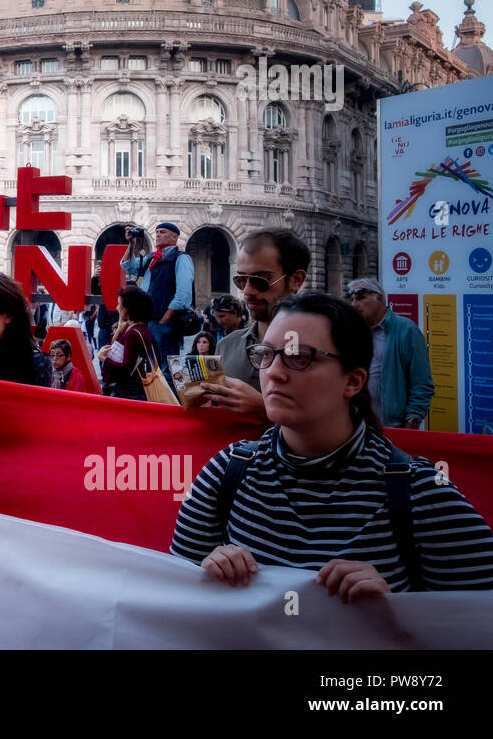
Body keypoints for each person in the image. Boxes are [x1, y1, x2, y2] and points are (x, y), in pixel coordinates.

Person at [172, 293, 493, 596]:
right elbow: (170, 599)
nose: (274, 372)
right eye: (266, 354)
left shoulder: (421, 491)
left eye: (299, 357)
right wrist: (207, 573)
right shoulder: (228, 470)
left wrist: (400, 612)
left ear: (353, 380)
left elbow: (474, 620)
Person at [201, 227, 309, 421]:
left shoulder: (322, 349)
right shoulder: (227, 345)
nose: (247, 291)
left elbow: (335, 430)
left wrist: (263, 409)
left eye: (260, 281)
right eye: (241, 280)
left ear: (296, 280)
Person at [346, 277, 434, 430]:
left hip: (392, 427)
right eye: (352, 299)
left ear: (379, 297)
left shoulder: (405, 330)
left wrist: (411, 421)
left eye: (360, 297)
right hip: (357, 426)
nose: (354, 304)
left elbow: (421, 383)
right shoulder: (353, 333)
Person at [121, 222, 194, 370]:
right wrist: (131, 243)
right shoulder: (151, 258)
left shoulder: (181, 258)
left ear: (174, 237)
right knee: (153, 370)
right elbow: (128, 266)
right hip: (149, 321)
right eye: (157, 232)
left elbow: (183, 295)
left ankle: (169, 394)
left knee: (168, 370)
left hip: (164, 322)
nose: (158, 235)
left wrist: (164, 320)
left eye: (163, 232)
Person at [96, 285, 157, 401]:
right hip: (130, 387)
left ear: (128, 308)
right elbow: (114, 346)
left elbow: (125, 367)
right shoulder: (137, 328)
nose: (117, 308)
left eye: (120, 304)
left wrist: (104, 359)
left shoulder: (134, 333)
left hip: (127, 390)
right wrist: (119, 329)